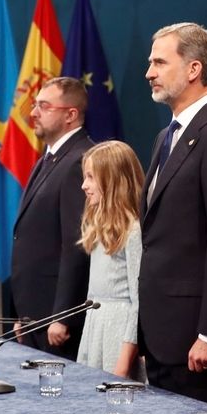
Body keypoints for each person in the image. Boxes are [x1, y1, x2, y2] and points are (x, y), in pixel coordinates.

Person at [138, 22, 207, 406]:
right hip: (160, 333)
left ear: (193, 69)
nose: (149, 72)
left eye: (159, 62)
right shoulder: (164, 137)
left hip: (194, 339)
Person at [10, 76, 94, 360]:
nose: (32, 113)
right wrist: (24, 314)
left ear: (71, 115)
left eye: (43, 106)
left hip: (56, 321)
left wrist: (63, 316)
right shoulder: (48, 159)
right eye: (34, 105)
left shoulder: (80, 161)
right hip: (36, 314)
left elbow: (77, 245)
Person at [75, 141, 145, 380]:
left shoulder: (133, 229)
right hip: (96, 326)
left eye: (91, 177)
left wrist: (123, 364)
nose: (84, 185)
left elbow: (137, 302)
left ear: (113, 180)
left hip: (118, 332)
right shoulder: (99, 226)